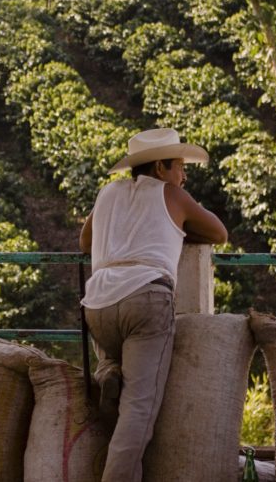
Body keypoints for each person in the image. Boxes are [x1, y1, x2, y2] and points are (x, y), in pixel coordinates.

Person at [79, 127, 228, 482]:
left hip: (98, 302)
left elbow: (86, 241)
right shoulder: (172, 194)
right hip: (145, 298)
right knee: (139, 411)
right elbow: (219, 233)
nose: (184, 175)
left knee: (117, 362)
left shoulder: (107, 192)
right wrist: (175, 224)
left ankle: (108, 372)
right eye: (179, 166)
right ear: (160, 167)